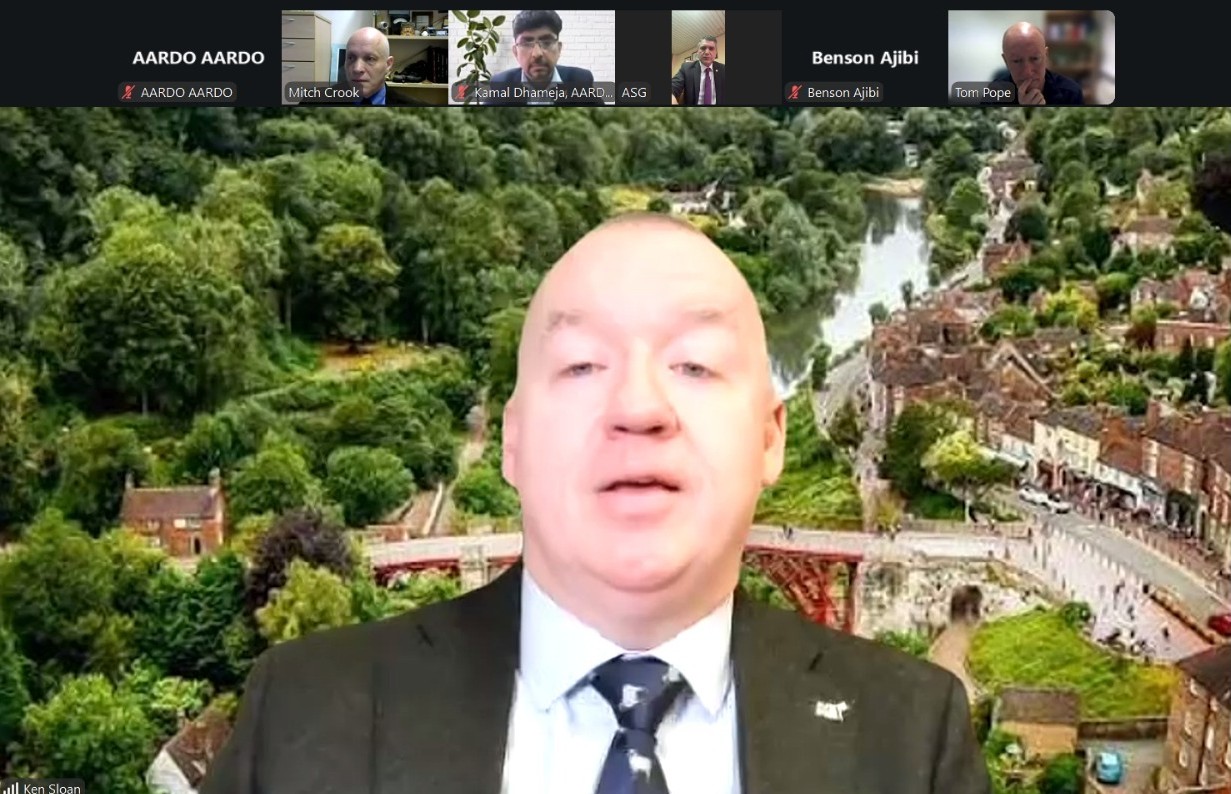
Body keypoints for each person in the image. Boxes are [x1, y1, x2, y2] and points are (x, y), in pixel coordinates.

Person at [200, 213, 991, 794]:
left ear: (768, 439)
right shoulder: (301, 712)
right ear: (511, 441)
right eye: (581, 365)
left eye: (694, 364)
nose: (638, 407)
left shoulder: (912, 734)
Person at [484, 10, 605, 106]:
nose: (537, 54)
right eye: (526, 43)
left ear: (559, 49)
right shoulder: (501, 85)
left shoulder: (580, 82)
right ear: (516, 52)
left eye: (547, 42)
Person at [990, 22, 1083, 106]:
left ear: (1046, 56)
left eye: (1035, 59)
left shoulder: (1071, 93)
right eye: (1017, 61)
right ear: (1006, 61)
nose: (1027, 72)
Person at [672, 35, 725, 105]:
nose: (707, 52)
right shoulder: (686, 68)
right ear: (697, 51)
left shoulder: (723, 69)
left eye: (711, 48)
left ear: (716, 53)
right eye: (703, 48)